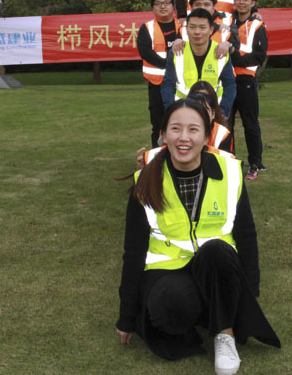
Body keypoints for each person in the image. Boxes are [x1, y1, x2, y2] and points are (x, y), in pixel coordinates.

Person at [116, 99, 281, 374]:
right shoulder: (145, 179)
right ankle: (203, 312)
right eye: (175, 129)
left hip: (217, 265)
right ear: (163, 135)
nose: (183, 137)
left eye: (193, 129)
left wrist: (249, 295)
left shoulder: (230, 173)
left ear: (206, 137)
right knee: (168, 305)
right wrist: (126, 316)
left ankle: (224, 333)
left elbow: (246, 235)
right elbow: (133, 252)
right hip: (166, 270)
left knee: (216, 249)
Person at [161, 8, 236, 119]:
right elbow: (168, 85)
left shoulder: (221, 52)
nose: (197, 32)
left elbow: (230, 85)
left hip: (213, 113)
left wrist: (223, 112)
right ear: (186, 29)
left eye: (202, 27)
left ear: (211, 30)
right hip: (183, 111)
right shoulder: (177, 53)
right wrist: (171, 112)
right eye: (192, 27)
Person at [229, 0, 268, 180]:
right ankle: (229, 160)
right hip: (226, 80)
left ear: (253, 3)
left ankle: (255, 163)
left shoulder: (257, 25)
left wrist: (236, 58)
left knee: (250, 124)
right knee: (225, 124)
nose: (241, 2)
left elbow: (259, 56)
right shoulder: (226, 22)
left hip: (246, 80)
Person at [138, 0, 181, 147]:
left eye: (166, 3)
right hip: (157, 84)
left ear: (173, 6)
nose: (163, 6)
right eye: (158, 3)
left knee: (182, 123)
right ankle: (158, 157)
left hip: (182, 83)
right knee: (158, 125)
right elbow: (145, 52)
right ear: (152, 8)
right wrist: (168, 65)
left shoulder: (183, 26)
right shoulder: (147, 28)